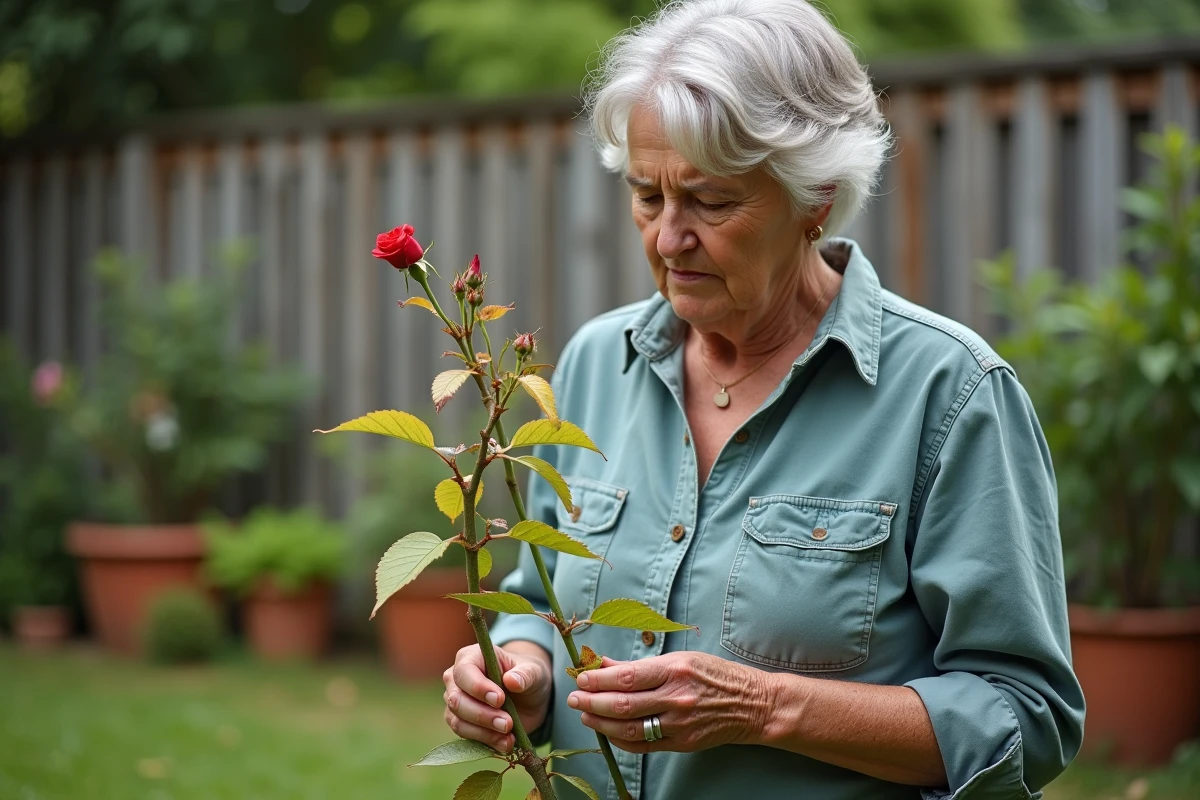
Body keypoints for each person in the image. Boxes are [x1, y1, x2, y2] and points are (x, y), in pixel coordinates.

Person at [441, 1, 1085, 797]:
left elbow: (1027, 716)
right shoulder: (592, 363)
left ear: (814, 196)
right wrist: (523, 665)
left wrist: (763, 706)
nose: (669, 237)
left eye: (711, 202)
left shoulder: (950, 395)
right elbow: (541, 594)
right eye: (647, 196)